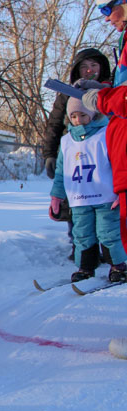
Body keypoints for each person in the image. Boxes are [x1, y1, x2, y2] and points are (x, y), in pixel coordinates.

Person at [42, 49, 111, 261]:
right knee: (77, 202)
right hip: (75, 154)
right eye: (84, 66)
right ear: (77, 70)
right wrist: (50, 154)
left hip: (103, 155)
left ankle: (110, 248)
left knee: (106, 204)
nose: (89, 70)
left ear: (102, 68)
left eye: (94, 66)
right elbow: (54, 124)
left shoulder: (110, 92)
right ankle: (81, 247)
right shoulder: (67, 92)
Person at [49, 96, 127, 282]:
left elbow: (118, 164)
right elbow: (61, 171)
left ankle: (117, 266)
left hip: (105, 196)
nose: (78, 120)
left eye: (83, 115)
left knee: (108, 233)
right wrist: (56, 196)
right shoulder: (66, 141)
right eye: (73, 116)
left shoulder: (105, 134)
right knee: (82, 234)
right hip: (79, 198)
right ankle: (85, 268)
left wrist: (121, 191)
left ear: (93, 113)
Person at [79, 0, 127, 254]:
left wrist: (103, 98)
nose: (107, 19)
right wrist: (105, 89)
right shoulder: (124, 39)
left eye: (107, 9)